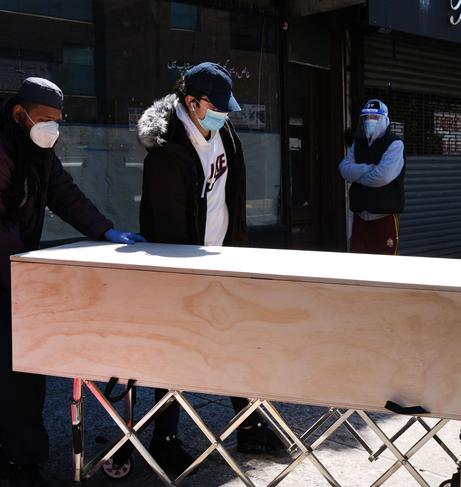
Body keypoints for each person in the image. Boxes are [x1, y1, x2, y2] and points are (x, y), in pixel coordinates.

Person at [137, 62, 283, 475]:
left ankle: (249, 425)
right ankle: (163, 438)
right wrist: (190, 283)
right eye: (216, 107)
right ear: (191, 103)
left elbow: (231, 199)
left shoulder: (221, 132)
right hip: (183, 270)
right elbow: (168, 232)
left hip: (222, 259)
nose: (223, 115)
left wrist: (236, 257)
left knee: (235, 345)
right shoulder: (167, 153)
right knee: (176, 355)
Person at [0, 77, 144, 487]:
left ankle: (20, 453)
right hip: (9, 269)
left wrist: (106, 231)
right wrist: (22, 275)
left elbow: (64, 194)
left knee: (22, 370)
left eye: (59, 121)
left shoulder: (37, 148)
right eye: (45, 119)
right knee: (16, 372)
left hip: (15, 268)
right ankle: (21, 461)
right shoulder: (3, 148)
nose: (53, 128)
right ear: (19, 114)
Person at [338, 99, 405, 255]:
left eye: (375, 118)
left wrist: (356, 175)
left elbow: (383, 177)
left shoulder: (395, 144)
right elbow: (343, 169)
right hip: (360, 218)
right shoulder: (358, 143)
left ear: (384, 119)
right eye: (367, 117)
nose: (370, 121)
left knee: (385, 269)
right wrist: (370, 169)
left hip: (384, 217)